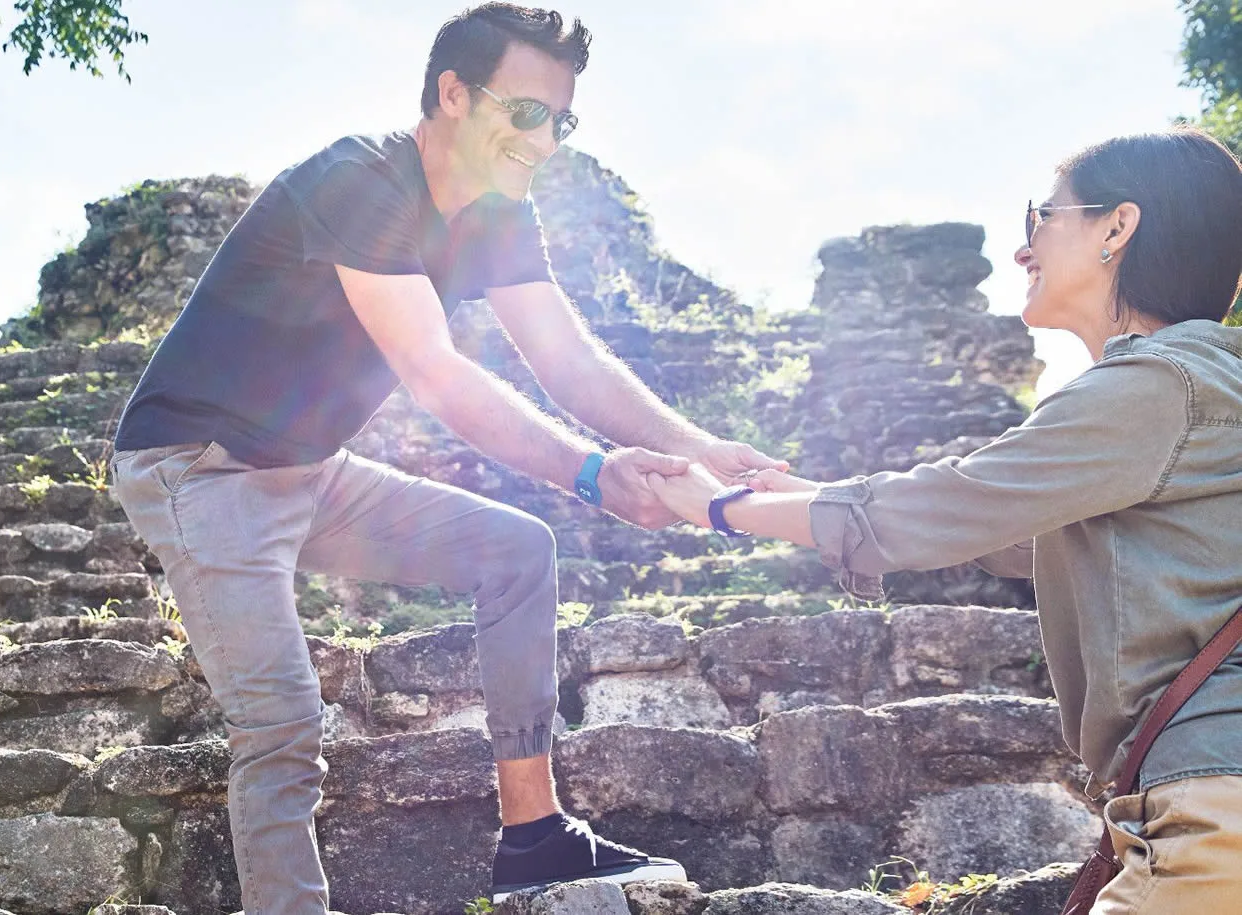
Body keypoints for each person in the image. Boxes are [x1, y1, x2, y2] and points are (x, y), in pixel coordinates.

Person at [107, 4, 784, 911]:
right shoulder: (360, 178)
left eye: (562, 119)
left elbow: (568, 359)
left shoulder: (502, 214)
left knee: (518, 550)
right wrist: (592, 474)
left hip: (306, 471)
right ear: (453, 93)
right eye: (526, 112)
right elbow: (433, 371)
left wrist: (699, 449)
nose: (543, 142)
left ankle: (537, 835)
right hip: (200, 467)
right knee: (280, 727)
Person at [645, 128, 1242, 913]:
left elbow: (949, 505)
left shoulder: (1152, 386)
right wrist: (799, 491)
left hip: (1213, 808)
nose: (1024, 249)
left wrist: (720, 507)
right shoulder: (1202, 385)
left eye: (1042, 216)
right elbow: (998, 525)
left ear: (1118, 227)